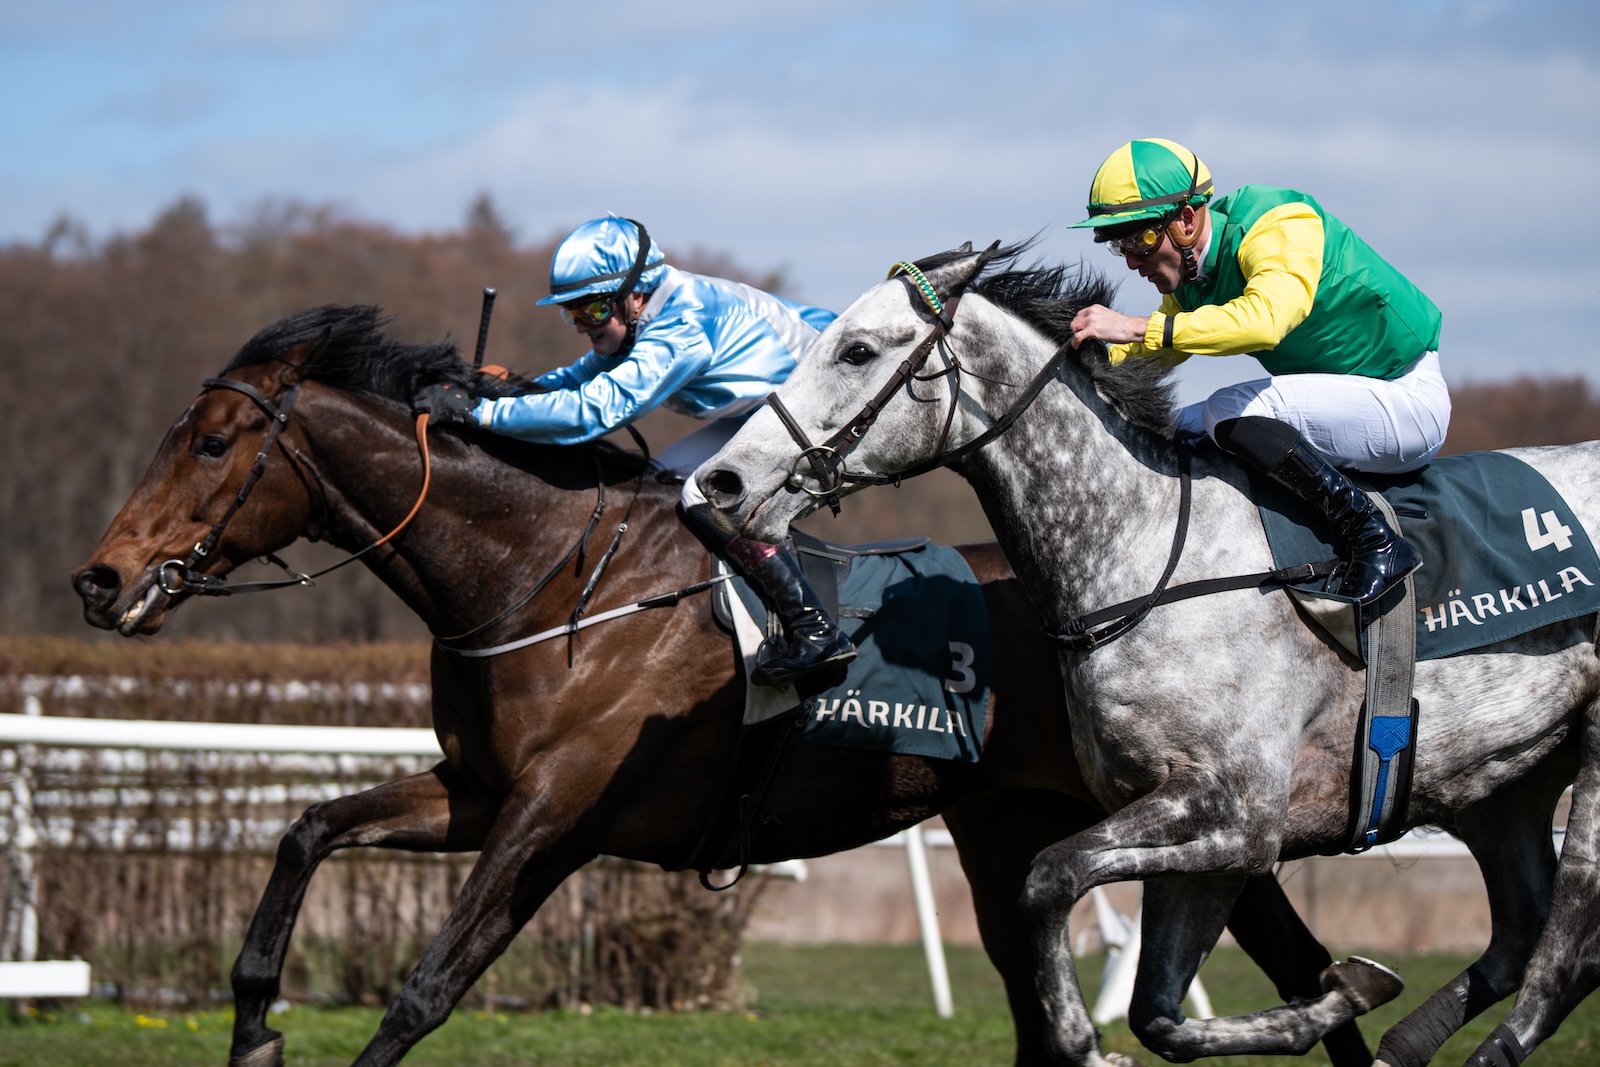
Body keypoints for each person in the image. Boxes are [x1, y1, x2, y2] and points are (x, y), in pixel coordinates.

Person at [414, 215, 854, 686]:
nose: (583, 325)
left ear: (635, 295)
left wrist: (479, 416)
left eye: (593, 311)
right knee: (659, 487)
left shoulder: (682, 324)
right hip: (774, 406)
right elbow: (578, 377)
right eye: (574, 313)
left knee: (703, 494)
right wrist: (499, 393)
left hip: (833, 404)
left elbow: (595, 410)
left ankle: (815, 629)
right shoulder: (645, 313)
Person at [1066, 139, 1449, 605]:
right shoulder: (1194, 279)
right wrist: (1080, 366)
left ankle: (1375, 539)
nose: (1131, 259)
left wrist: (1132, 325)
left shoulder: (1278, 221)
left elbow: (1265, 321)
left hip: (1404, 398)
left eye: (1140, 237)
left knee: (1227, 409)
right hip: (1351, 400)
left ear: (1187, 220)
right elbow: (1157, 350)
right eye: (1119, 244)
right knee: (1162, 428)